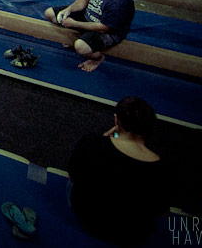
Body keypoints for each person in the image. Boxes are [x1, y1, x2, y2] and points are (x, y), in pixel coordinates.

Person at [68, 96, 168, 244]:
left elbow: (73, 177)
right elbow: (161, 210)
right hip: (134, 232)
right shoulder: (162, 167)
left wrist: (105, 140)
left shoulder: (92, 143)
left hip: (88, 216)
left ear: (117, 121)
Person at [44, 0, 135, 72]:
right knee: (50, 13)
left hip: (108, 32)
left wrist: (75, 23)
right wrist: (69, 9)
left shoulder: (120, 0)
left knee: (81, 47)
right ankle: (82, 37)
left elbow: (103, 28)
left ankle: (98, 58)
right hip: (89, 17)